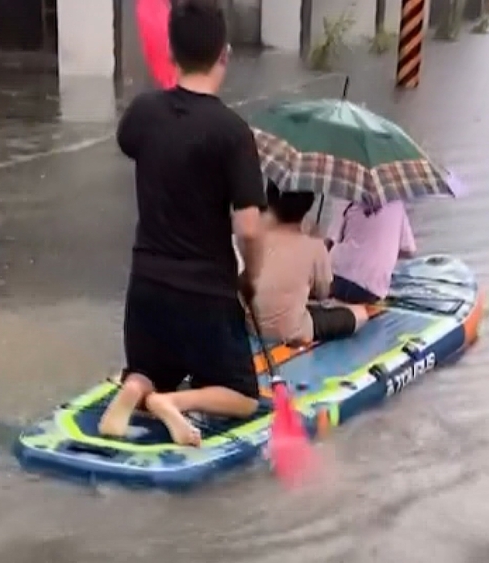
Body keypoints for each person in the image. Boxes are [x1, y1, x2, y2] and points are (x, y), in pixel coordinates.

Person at [98, 0, 266, 447]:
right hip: (205, 294)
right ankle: (176, 403)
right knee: (245, 397)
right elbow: (248, 229)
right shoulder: (233, 133)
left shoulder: (143, 113)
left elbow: (137, 144)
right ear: (224, 54)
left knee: (150, 369)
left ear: (170, 52)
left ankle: (138, 388)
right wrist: (250, 275)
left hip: (146, 288)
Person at [253, 182, 368, 345]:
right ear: (308, 205)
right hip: (294, 331)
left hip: (251, 325)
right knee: (360, 314)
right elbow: (322, 293)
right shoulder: (313, 244)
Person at [325, 200, 417, 304]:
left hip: (339, 275)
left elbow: (330, 240)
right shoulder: (398, 205)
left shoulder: (346, 199)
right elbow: (410, 251)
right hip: (374, 288)